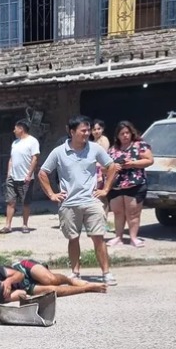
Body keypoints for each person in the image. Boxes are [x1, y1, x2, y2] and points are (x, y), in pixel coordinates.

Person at [38, 115, 118, 286]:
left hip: (91, 201)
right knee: (73, 238)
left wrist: (105, 189)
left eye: (88, 130)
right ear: (72, 132)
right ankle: (75, 272)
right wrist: (52, 194)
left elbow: (112, 166)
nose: (87, 133)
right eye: (83, 130)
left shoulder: (95, 148)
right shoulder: (59, 152)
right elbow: (43, 172)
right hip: (68, 203)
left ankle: (106, 273)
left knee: (98, 237)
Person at [106, 121, 153, 248]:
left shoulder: (140, 145)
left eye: (127, 133)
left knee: (133, 213)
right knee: (118, 212)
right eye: (122, 133)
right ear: (117, 136)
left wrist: (132, 163)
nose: (125, 136)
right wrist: (113, 166)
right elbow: (105, 166)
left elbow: (149, 160)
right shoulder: (113, 149)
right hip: (116, 185)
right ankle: (118, 237)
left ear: (131, 133)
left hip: (135, 185)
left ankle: (133, 237)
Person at [0, 259, 108, 304]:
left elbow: (19, 275)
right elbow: (22, 294)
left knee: (50, 279)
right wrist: (8, 297)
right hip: (26, 286)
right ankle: (86, 288)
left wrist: (9, 281)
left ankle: (70, 280)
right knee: (51, 291)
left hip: (24, 269)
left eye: (6, 289)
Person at [0, 119, 40, 234]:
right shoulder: (15, 143)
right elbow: (11, 159)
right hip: (13, 177)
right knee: (10, 201)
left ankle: (25, 225)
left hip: (25, 178)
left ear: (21, 129)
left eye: (15, 128)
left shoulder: (32, 141)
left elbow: (35, 158)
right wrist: (9, 174)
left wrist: (29, 174)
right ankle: (7, 226)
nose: (14, 131)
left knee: (25, 202)